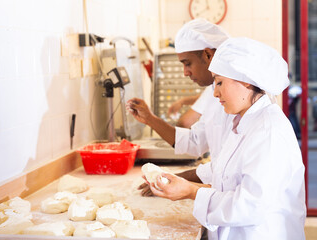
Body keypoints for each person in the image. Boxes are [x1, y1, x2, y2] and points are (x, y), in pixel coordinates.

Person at [146, 37, 306, 239]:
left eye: (219, 82)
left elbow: (249, 205)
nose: (215, 93)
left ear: (245, 79)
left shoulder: (268, 131)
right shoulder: (244, 121)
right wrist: (180, 180)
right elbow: (223, 169)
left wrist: (191, 192)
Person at [127, 18, 232, 196]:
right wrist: (150, 120)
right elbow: (195, 142)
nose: (185, 72)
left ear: (208, 55)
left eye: (187, 63)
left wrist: (187, 188)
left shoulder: (242, 101)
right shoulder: (213, 90)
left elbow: (231, 177)